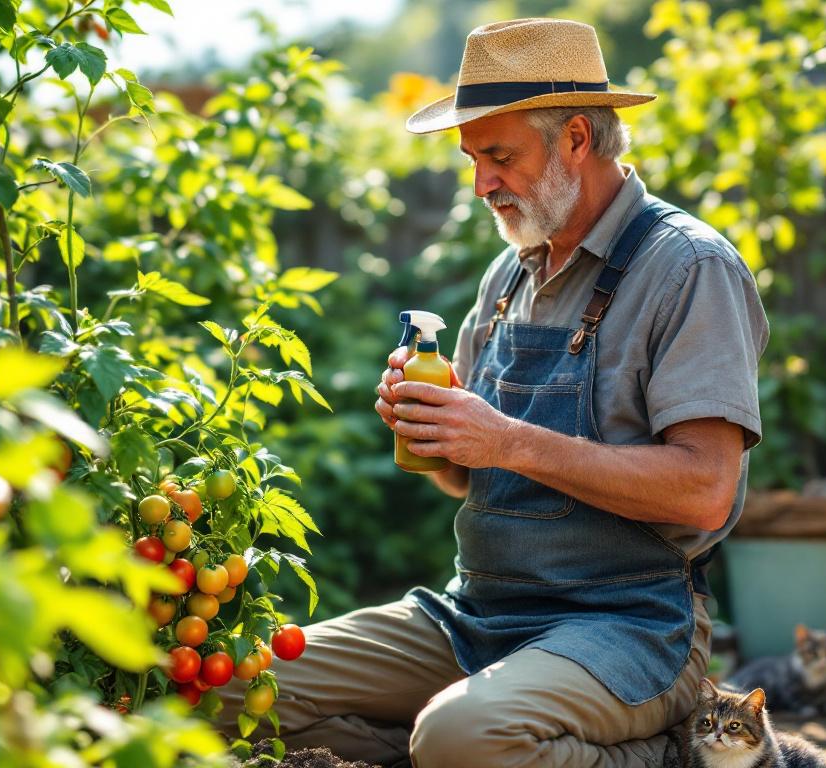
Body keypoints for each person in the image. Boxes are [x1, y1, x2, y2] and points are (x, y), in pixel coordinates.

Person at [218, 18, 769, 768]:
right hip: (477, 615)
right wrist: (437, 429)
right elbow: (465, 478)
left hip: (629, 626)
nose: (482, 185)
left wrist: (504, 437)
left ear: (577, 136)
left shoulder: (688, 269)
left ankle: (661, 757)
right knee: (227, 684)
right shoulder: (510, 276)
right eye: (472, 159)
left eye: (500, 156)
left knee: (462, 736)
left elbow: (706, 491)